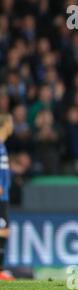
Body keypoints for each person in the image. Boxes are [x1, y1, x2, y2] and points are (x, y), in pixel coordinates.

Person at [0, 114, 14, 281]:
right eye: (10, 122)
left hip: (4, 195)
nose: (12, 125)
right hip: (1, 196)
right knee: (3, 230)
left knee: (5, 230)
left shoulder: (3, 145)